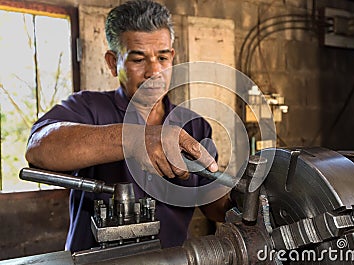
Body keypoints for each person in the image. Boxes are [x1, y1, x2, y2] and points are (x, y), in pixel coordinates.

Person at [25, 0, 233, 252]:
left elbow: (213, 205)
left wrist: (247, 201)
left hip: (169, 261)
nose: (154, 71)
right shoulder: (88, 108)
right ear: (113, 62)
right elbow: (38, 148)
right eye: (138, 59)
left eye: (162, 57)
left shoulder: (195, 126)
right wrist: (135, 139)